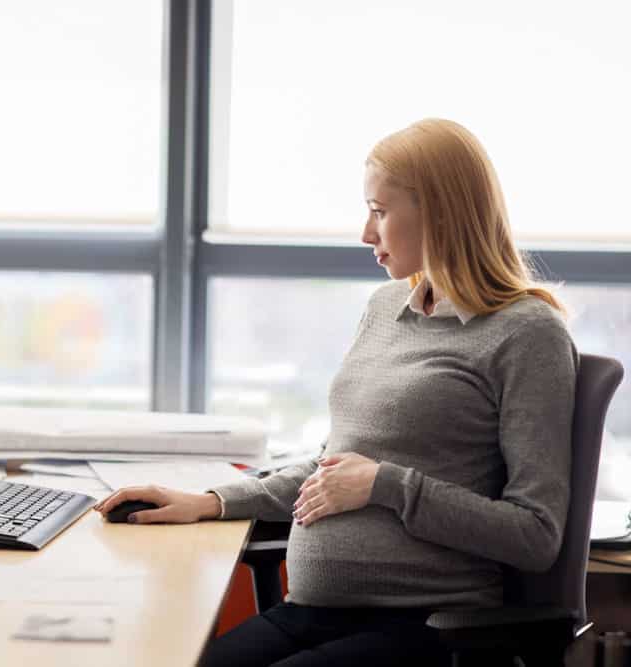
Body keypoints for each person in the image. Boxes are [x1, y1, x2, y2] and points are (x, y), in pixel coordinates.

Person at [95, 118, 579, 667]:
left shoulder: (526, 332)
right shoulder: (386, 309)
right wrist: (210, 502)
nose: (366, 234)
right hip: (311, 613)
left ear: (440, 211)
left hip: (426, 624)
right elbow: (336, 468)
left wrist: (388, 485)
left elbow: (536, 535)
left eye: (379, 211)